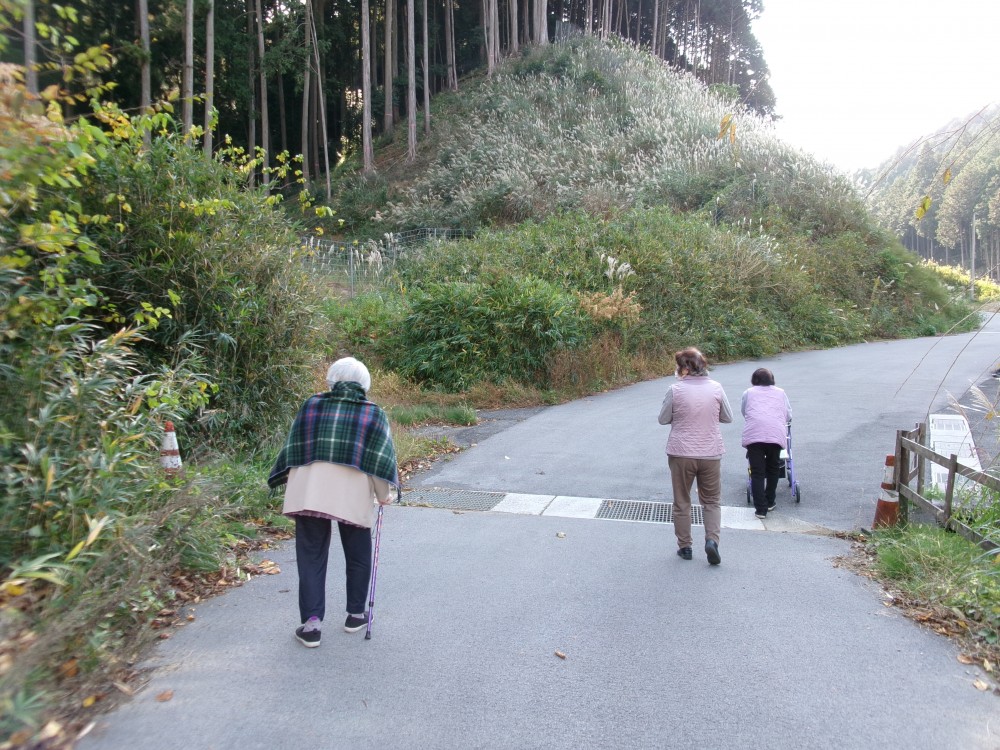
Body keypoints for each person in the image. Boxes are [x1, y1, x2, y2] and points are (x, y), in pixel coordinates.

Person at [268, 357, 399, 648]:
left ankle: (311, 625)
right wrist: (383, 495)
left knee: (311, 555)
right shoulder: (372, 413)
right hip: (350, 494)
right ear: (364, 384)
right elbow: (377, 460)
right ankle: (355, 615)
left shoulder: (311, 405)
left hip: (309, 492)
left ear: (331, 380)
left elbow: (295, 447)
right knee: (358, 552)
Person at [658, 347, 733, 565]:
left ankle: (685, 546)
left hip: (681, 452)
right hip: (710, 452)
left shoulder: (675, 390)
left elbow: (663, 419)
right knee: (711, 501)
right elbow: (727, 417)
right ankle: (712, 541)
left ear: (683, 368)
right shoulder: (716, 388)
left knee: (682, 501)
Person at [741, 367, 792, 520]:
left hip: (754, 435)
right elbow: (788, 414)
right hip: (775, 434)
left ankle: (761, 510)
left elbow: (744, 411)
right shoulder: (781, 392)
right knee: (773, 468)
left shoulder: (748, 393)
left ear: (754, 380)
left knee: (757, 472)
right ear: (772, 379)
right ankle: (770, 501)